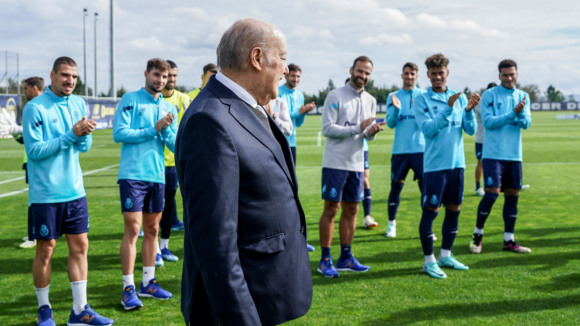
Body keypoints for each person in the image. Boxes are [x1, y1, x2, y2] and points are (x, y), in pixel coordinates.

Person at [175, 18, 312, 325]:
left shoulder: (244, 106)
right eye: (283, 59)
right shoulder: (209, 120)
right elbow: (215, 243)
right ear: (257, 58)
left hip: (264, 291)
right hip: (243, 304)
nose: (287, 69)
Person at [22, 57, 113, 326]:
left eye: (74, 76)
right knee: (46, 250)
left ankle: (79, 310)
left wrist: (84, 135)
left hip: (75, 191)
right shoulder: (35, 107)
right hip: (45, 195)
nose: (70, 81)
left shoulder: (77, 103)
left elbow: (83, 147)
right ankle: (44, 310)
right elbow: (34, 151)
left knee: (80, 247)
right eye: (64, 75)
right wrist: (72, 135)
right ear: (52, 75)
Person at [113, 58, 177, 310]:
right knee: (133, 228)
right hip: (132, 175)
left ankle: (148, 282)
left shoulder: (167, 106)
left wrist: (169, 132)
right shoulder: (130, 99)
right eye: (156, 75)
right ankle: (128, 287)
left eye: (165, 76)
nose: (160, 80)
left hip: (157, 176)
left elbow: (172, 143)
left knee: (153, 230)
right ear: (146, 74)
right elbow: (120, 133)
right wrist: (154, 128)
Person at [317, 56, 386, 278]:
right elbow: (327, 128)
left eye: (367, 73)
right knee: (331, 209)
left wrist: (371, 133)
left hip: (357, 164)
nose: (363, 76)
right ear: (351, 70)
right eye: (360, 71)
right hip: (335, 163)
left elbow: (365, 136)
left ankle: (345, 257)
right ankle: (325, 259)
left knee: (352, 210)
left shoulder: (371, 100)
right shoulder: (335, 95)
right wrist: (359, 127)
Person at [413, 53, 480, 279]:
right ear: (428, 75)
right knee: (431, 212)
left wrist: (468, 110)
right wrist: (448, 109)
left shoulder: (458, 98)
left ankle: (446, 255)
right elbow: (428, 129)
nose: (438, 77)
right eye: (433, 74)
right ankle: (428, 261)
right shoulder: (421, 100)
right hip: (434, 167)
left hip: (457, 165)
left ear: (447, 73)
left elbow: (469, 130)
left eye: (441, 73)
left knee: (455, 210)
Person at [470, 59, 532, 254]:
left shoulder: (523, 96)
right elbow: (488, 122)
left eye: (512, 74)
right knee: (492, 193)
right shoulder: (489, 95)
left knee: (513, 195)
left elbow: (527, 123)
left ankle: (509, 240)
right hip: (493, 154)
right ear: (499, 76)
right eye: (505, 75)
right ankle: (477, 235)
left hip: (514, 155)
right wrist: (513, 114)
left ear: (517, 74)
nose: (509, 78)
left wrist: (520, 115)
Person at [0, 76, 45, 249]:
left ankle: (33, 237)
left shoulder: (41, 106)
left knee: (35, 200)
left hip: (39, 160)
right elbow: (28, 140)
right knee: (33, 199)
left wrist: (18, 129)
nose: (23, 92)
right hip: (31, 160)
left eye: (25, 88)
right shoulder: (31, 107)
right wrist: (16, 134)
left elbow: (41, 134)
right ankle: (34, 232)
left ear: (34, 88)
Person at [156, 59, 192, 264]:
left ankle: (164, 247)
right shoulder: (154, 100)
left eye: (175, 76)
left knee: (169, 206)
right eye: (168, 75)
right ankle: (154, 249)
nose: (172, 79)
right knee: (152, 210)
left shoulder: (184, 100)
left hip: (173, 163)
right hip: (152, 165)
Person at [278, 64, 317, 251]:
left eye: (298, 77)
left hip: (291, 144)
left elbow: (297, 124)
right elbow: (280, 119)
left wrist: (304, 113)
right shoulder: (277, 92)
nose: (295, 79)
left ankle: (295, 236)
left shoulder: (300, 95)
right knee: (280, 187)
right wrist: (299, 112)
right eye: (293, 76)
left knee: (292, 187)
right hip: (277, 143)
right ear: (286, 76)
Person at [385, 62, 426, 238]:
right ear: (402, 75)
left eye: (412, 74)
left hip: (421, 150)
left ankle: (427, 227)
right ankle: (391, 225)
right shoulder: (392, 96)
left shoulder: (424, 96)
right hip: (400, 151)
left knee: (426, 189)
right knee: (395, 188)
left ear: (417, 76)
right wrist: (396, 109)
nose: (409, 76)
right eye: (406, 73)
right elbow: (390, 123)